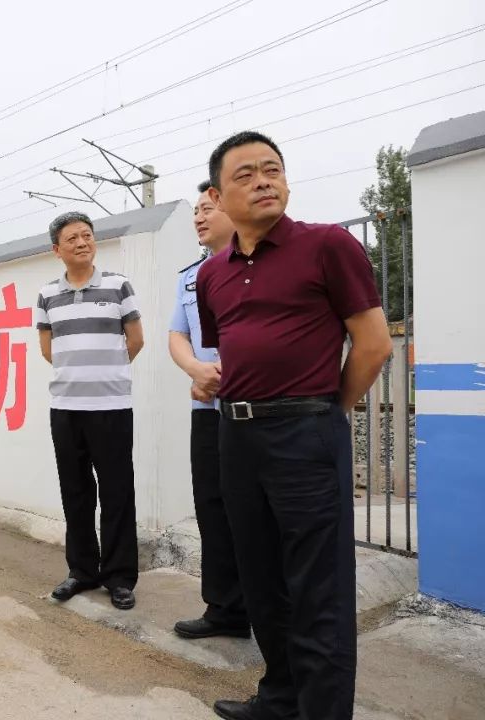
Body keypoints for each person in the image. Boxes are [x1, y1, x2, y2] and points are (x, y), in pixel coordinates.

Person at [197, 131, 391, 720]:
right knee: (261, 576)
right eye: (246, 174)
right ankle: (280, 698)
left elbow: (374, 344)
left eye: (272, 169)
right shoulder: (212, 274)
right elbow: (235, 348)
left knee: (318, 585)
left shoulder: (327, 245)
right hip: (236, 434)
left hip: (305, 432)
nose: (263, 181)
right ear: (218, 195)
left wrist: (328, 409)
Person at [35, 211, 144, 611]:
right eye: (72, 238)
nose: (82, 243)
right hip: (65, 407)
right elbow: (47, 348)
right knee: (76, 491)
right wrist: (77, 374)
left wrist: (105, 373)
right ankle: (81, 570)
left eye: (87, 235)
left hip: (111, 406)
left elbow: (135, 340)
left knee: (117, 491)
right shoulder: (47, 294)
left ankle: (119, 577)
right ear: (57, 249)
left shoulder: (117, 286)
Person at [167, 182, 249, 640]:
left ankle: (264, 609)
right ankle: (225, 609)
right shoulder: (189, 277)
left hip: (252, 407)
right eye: (195, 211)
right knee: (212, 507)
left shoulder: (256, 266)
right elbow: (177, 335)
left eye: (207, 209)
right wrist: (196, 370)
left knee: (254, 511)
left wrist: (223, 377)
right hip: (206, 407)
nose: (199, 217)